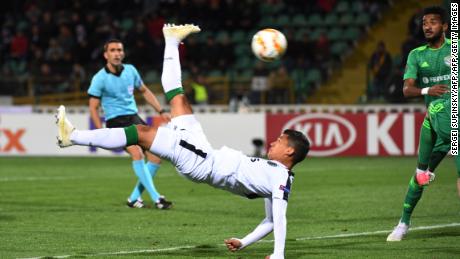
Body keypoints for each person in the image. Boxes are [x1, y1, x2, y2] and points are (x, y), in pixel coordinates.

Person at [56, 24, 310, 259]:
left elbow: (280, 216)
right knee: (178, 98)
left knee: (140, 133)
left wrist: (279, 254)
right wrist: (244, 242)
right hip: (204, 150)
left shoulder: (280, 179)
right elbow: (269, 222)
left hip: (203, 163)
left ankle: (73, 136)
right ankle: (171, 40)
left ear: (289, 151)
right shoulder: (274, 176)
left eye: (279, 141)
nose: (273, 143)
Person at [387, 6, 451, 241]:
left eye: (433, 22)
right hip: (432, 123)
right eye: (424, 23)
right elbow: (407, 90)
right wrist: (428, 90)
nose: (427, 26)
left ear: (445, 26)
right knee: (421, 175)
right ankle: (403, 223)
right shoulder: (416, 54)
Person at [87, 39, 172, 209]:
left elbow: (145, 91)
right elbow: (93, 107)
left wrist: (161, 111)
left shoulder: (131, 71)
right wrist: (99, 133)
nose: (117, 53)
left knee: (156, 157)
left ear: (123, 53)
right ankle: (157, 198)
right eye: (113, 50)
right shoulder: (99, 78)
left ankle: (134, 198)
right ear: (106, 55)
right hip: (116, 122)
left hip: (134, 118)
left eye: (119, 50)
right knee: (137, 153)